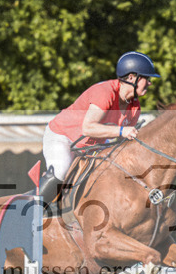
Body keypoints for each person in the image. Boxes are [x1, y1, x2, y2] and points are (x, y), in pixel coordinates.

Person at [39, 51, 160, 202]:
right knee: (61, 169)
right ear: (131, 77)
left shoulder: (134, 108)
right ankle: (35, 212)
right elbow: (88, 128)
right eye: (146, 78)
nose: (149, 83)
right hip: (63, 137)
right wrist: (122, 131)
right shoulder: (105, 93)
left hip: (90, 148)